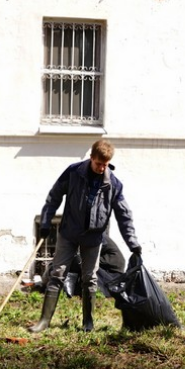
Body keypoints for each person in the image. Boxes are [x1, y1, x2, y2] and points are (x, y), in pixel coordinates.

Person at [30, 139, 142, 333]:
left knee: (89, 279)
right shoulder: (73, 172)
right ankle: (44, 322)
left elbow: (124, 216)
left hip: (93, 239)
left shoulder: (113, 184)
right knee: (57, 274)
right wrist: (46, 222)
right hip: (69, 233)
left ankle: (87, 323)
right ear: (91, 158)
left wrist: (133, 243)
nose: (101, 168)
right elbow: (54, 196)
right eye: (99, 163)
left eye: (105, 165)